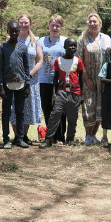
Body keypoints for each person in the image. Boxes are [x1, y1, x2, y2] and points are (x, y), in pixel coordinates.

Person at [40, 38, 85, 148]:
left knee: (73, 117)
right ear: (64, 47)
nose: (72, 47)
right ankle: (48, 139)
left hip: (75, 93)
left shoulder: (78, 61)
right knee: (55, 114)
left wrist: (82, 95)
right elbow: (55, 78)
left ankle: (70, 138)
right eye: (70, 45)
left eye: (74, 46)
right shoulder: (58, 60)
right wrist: (54, 93)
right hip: (61, 91)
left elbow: (81, 79)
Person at [0, 20, 34, 149]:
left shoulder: (23, 47)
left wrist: (28, 85)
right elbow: (0, 68)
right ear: (7, 31)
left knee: (20, 112)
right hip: (7, 85)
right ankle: (6, 139)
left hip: (21, 84)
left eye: (16, 31)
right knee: (6, 112)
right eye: (11, 31)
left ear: (19, 32)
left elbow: (26, 67)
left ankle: (19, 138)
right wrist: (1, 86)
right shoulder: (3, 47)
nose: (14, 33)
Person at [78, 13, 111, 145]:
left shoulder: (107, 39)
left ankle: (94, 135)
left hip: (103, 79)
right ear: (87, 23)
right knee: (88, 107)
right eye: (90, 21)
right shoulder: (82, 39)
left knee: (100, 108)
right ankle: (88, 136)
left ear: (100, 23)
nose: (92, 24)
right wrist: (86, 79)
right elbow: (79, 61)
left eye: (95, 21)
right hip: (88, 79)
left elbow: (110, 59)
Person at [9, 14, 43, 144]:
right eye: (21, 22)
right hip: (14, 79)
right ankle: (16, 136)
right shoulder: (10, 39)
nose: (23, 25)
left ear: (30, 24)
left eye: (26, 22)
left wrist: (29, 74)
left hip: (31, 80)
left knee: (28, 107)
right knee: (14, 107)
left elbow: (39, 61)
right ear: (17, 24)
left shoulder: (35, 40)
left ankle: (24, 135)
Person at [39, 15, 68, 144]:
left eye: (58, 25)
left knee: (60, 109)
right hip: (44, 80)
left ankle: (60, 136)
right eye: (53, 25)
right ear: (48, 26)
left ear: (61, 27)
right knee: (47, 108)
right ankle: (50, 135)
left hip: (60, 81)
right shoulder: (41, 41)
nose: (55, 28)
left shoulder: (65, 41)